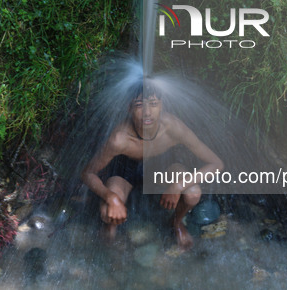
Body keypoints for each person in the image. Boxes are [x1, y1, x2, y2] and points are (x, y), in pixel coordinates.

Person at [81, 79, 224, 250]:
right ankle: (110, 228)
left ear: (161, 106)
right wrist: (111, 197)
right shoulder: (120, 139)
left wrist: (179, 185)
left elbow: (216, 163)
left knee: (193, 193)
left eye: (153, 104)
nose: (147, 112)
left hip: (163, 166)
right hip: (126, 171)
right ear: (129, 108)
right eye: (140, 105)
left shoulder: (172, 127)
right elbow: (88, 173)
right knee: (106, 210)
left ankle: (176, 222)